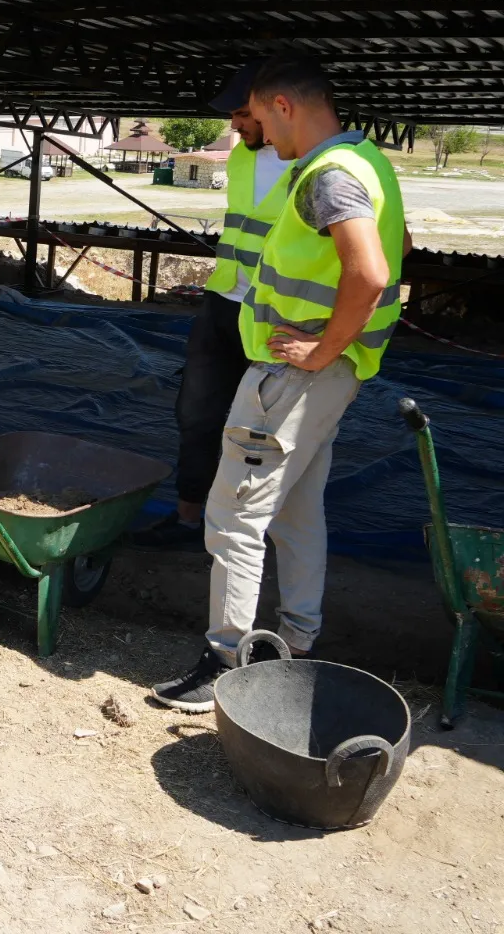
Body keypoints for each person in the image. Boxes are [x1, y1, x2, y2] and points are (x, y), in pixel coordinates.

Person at [152, 53, 408, 712]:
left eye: (261, 115)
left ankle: (225, 660)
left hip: (293, 376)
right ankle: (296, 640)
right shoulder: (367, 160)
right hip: (326, 378)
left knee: (234, 516)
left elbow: (372, 272)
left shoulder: (327, 175)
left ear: (285, 106)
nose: (257, 130)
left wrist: (323, 350)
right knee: (295, 510)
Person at [137, 62, 288, 548]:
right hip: (225, 304)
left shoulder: (318, 165)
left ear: (277, 109)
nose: (235, 125)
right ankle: (188, 518)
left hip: (277, 316)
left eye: (243, 113)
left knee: (264, 431)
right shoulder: (243, 157)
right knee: (197, 413)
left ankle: (249, 533)